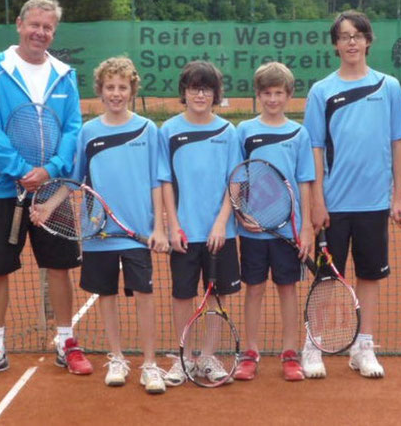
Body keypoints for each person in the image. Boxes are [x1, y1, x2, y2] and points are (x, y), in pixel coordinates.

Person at [0, 0, 91, 381]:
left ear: (54, 32)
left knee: (59, 267)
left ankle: (66, 341)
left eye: (48, 27)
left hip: (51, 190)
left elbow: (73, 128)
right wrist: (21, 170)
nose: (40, 33)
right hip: (5, 190)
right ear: (20, 24)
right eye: (34, 24)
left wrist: (50, 169)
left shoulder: (64, 75)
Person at [302, 10, 401, 379]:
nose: (351, 41)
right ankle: (313, 345)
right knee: (325, 279)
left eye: (357, 35)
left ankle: (363, 346)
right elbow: (314, 149)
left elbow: (397, 144)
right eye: (344, 36)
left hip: (374, 203)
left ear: (367, 41)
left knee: (369, 276)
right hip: (333, 204)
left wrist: (398, 197)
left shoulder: (389, 87)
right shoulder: (321, 91)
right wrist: (318, 201)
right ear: (335, 44)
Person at [53, 56, 168, 394]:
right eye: (110, 87)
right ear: (100, 91)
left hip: (138, 233)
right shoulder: (88, 132)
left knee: (144, 295)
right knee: (106, 295)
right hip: (97, 233)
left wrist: (159, 227)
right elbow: (75, 181)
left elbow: (157, 181)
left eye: (122, 87)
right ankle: (116, 357)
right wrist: (47, 206)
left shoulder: (149, 129)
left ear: (132, 90)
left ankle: (149, 363)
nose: (116, 93)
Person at [158, 61, 243, 386]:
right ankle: (183, 358)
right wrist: (173, 225)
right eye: (194, 88)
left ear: (215, 94)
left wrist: (222, 223)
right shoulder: (169, 130)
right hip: (184, 232)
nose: (200, 94)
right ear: (184, 91)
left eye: (206, 89)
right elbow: (165, 182)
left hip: (220, 233)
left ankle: (207, 357)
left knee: (217, 296)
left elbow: (233, 182)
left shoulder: (228, 132)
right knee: (182, 295)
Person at [233, 62, 315, 382]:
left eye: (278, 93)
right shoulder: (244, 131)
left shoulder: (299, 132)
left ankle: (290, 353)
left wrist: (306, 226)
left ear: (289, 95)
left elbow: (305, 181)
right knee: (253, 290)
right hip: (253, 230)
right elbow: (237, 178)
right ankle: (250, 353)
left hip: (288, 231)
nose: (272, 99)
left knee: (288, 290)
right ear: (257, 95)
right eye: (266, 93)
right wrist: (240, 212)